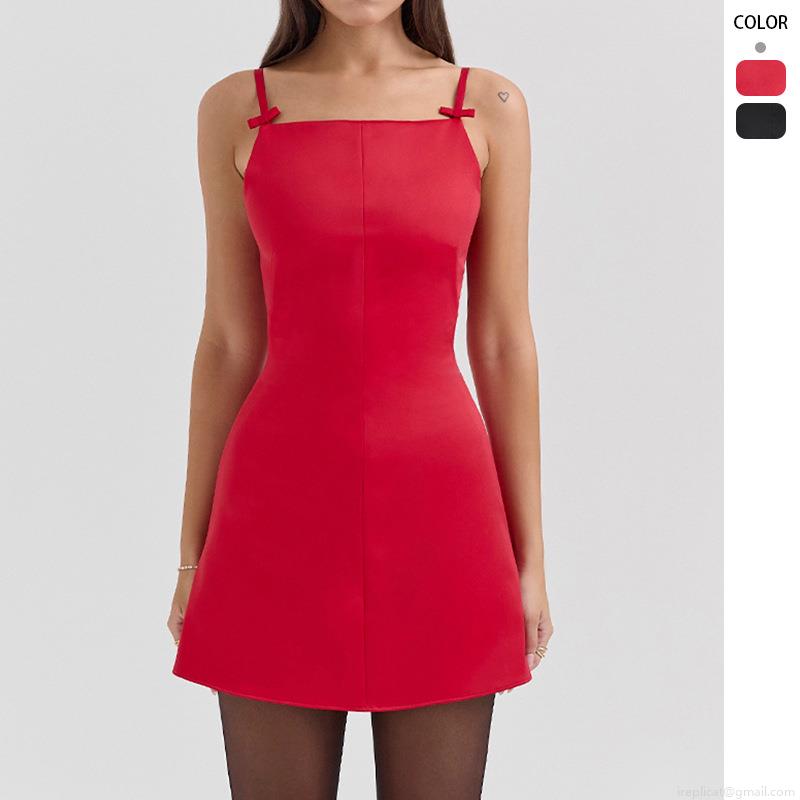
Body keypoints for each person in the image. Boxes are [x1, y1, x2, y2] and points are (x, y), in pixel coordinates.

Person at [168, 1, 553, 796]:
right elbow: (229, 343)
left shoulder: (489, 106)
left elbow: (503, 343)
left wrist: (530, 560)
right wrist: (191, 554)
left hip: (444, 509)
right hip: (273, 511)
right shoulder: (238, 107)